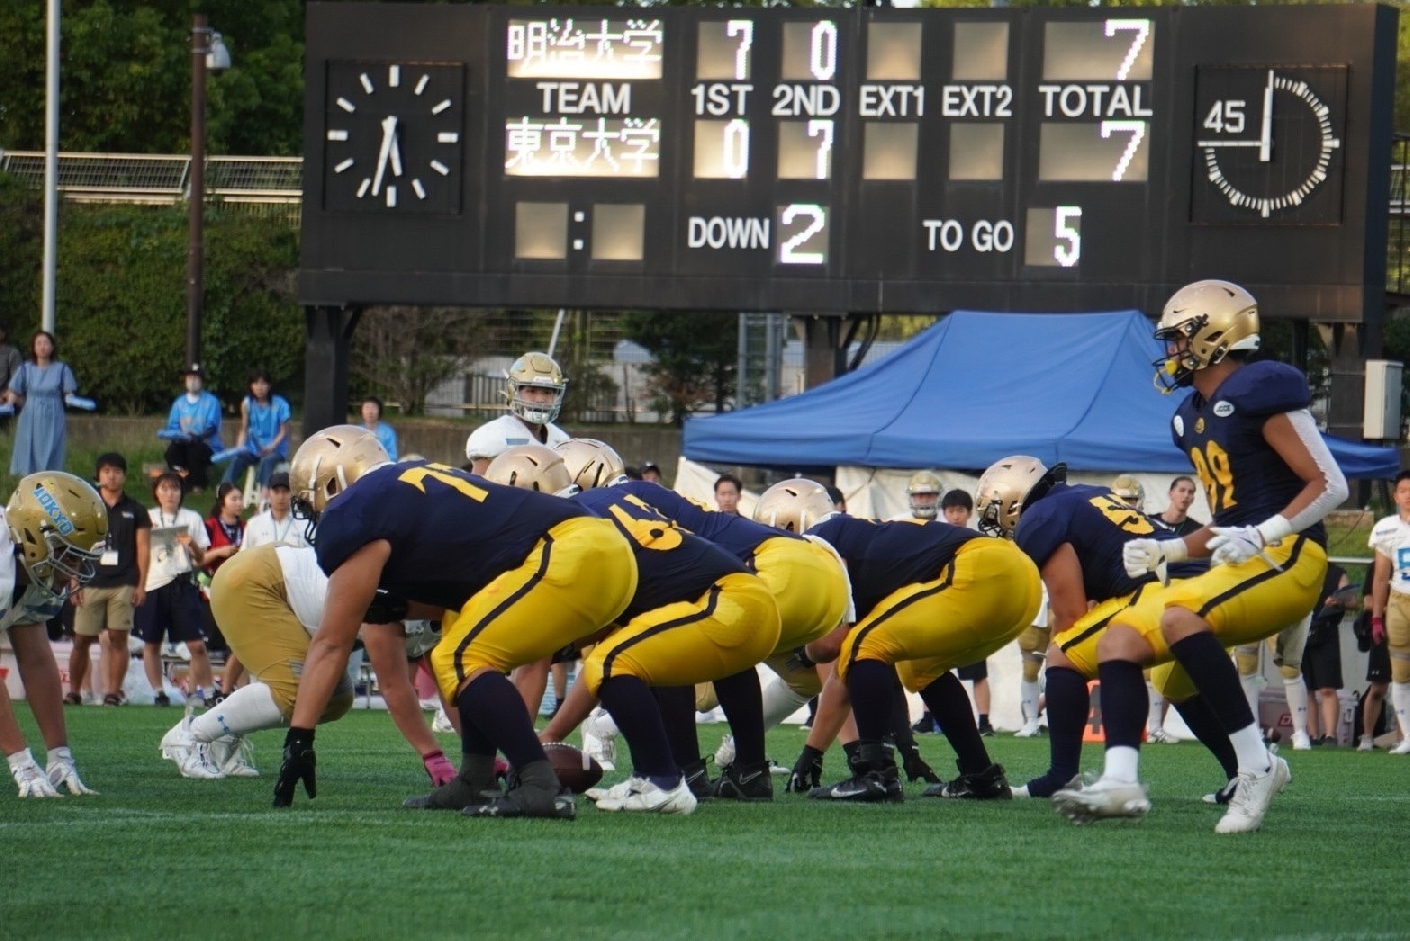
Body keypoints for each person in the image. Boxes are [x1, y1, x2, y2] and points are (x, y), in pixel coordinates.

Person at [1055, 279, 1347, 833]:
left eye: (1177, 338)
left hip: (1292, 555)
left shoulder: (1261, 388)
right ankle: (1120, 780)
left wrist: (1265, 535)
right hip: (1241, 557)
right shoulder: (1192, 414)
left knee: (1177, 616)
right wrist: (1169, 547)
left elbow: (1330, 485)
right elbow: (1232, 516)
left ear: (1213, 334)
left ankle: (1256, 764)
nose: (1170, 351)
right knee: (1118, 638)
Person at [275, 426, 637, 818]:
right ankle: (476, 777)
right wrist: (396, 608)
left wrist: (300, 737)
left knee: (460, 659)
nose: (314, 514)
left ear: (331, 483)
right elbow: (460, 593)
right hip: (604, 552)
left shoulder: (357, 510)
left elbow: (331, 643)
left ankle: (537, 782)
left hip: (572, 551)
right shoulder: (417, 487)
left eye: (310, 501)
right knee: (459, 646)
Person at [489, 442, 784, 812]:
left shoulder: (572, 529)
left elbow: (551, 656)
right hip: (750, 602)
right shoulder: (607, 507)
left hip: (728, 603)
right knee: (632, 659)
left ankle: (663, 781)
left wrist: (537, 744)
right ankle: (669, 775)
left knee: (609, 663)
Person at [971, 455, 1233, 803]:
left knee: (1064, 654)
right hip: (1203, 586)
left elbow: (1071, 615)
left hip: (1159, 591)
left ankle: (1062, 775)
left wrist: (1057, 684)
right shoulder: (1086, 493)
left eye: (994, 511)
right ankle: (1244, 773)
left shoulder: (1039, 519)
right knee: (1172, 684)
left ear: (1013, 501)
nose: (996, 522)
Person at [159, 544, 457, 784]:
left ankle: (224, 733)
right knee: (296, 690)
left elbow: (451, 684)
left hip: (278, 584)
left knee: (335, 699)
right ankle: (190, 735)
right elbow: (395, 687)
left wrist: (478, 757)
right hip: (255, 581)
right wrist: (434, 757)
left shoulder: (428, 601)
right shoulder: (390, 599)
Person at [2, 472, 108, 797]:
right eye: (69, 555)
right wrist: (21, 760)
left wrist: (58, 755)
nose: (75, 569)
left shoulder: (29, 565)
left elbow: (35, 658)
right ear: (35, 535)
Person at [67, 452, 150, 707]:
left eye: (116, 471)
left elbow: (144, 548)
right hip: (90, 579)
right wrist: (73, 580)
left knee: (118, 637)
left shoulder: (136, 510)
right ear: (98, 475)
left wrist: (141, 584)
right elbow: (75, 545)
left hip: (123, 581)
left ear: (124, 476)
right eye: (106, 471)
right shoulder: (87, 508)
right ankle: (74, 691)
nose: (111, 476)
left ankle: (113, 691)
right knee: (81, 639)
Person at [136, 472, 218, 706]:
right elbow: (139, 553)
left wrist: (190, 542)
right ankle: (158, 692)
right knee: (151, 642)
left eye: (175, 489)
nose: (170, 493)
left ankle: (209, 691)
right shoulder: (146, 517)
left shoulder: (191, 517)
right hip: (153, 583)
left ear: (181, 493)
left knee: (196, 644)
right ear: (156, 492)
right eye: (165, 488)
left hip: (182, 583)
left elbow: (201, 557)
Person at [463, 351, 569, 475]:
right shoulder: (493, 436)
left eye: (547, 392)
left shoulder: (561, 440)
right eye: (531, 391)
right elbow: (479, 489)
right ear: (514, 392)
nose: (540, 399)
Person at [1367, 469, 1410, 755]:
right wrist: (1377, 616)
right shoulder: (1386, 527)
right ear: (1395, 496)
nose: (1409, 496)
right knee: (1400, 674)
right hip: (1400, 601)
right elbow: (1381, 576)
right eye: (1404, 490)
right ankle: (1407, 736)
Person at [5, 330, 78, 475]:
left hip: (53, 413)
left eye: (46, 343)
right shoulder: (25, 369)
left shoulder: (62, 369)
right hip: (30, 413)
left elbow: (68, 392)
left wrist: (71, 399)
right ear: (33, 347)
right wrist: (8, 405)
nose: (43, 347)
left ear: (52, 347)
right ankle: (28, 483)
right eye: (39, 343)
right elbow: (14, 390)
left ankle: (50, 480)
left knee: (52, 447)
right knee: (28, 447)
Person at [222, 369, 292, 503]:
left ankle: (264, 496)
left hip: (275, 449)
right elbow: (244, 428)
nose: (260, 387)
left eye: (263, 383)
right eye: (256, 383)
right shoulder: (247, 403)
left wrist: (270, 447)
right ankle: (225, 491)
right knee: (238, 459)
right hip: (254, 448)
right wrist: (240, 447)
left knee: (267, 461)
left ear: (269, 386)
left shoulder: (280, 404)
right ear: (251, 386)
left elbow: (284, 432)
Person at [1303, 563, 1353, 745]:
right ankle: (1312, 734)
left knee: (1327, 687)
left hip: (1325, 631)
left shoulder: (1336, 572)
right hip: (1300, 630)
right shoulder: (1297, 568)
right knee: (1305, 688)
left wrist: (1338, 601)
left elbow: (1352, 601)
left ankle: (1331, 735)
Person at [160, 365, 223, 493]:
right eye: (190, 377)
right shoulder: (179, 403)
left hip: (206, 445)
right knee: (172, 452)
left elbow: (212, 427)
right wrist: (179, 437)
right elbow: (173, 427)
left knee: (195, 450)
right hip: (183, 442)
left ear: (202, 381)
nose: (192, 381)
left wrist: (198, 437)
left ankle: (198, 486)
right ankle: (179, 482)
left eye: (196, 377)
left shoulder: (211, 401)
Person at [242, 473, 308, 549]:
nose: (281, 497)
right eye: (276, 492)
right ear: (269, 493)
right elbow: (244, 555)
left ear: (292, 493)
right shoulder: (254, 524)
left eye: (285, 491)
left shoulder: (304, 523)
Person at [359, 396, 398, 461]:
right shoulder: (357, 431)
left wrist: (378, 459)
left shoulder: (388, 432)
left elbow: (393, 455)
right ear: (361, 411)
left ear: (379, 410)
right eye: (367, 408)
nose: (370, 412)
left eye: (373, 408)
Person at [0, 322, 22, 432]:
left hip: (6, 400)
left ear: (3, 334)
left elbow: (17, 382)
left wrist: (4, 396)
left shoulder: (12, 353)